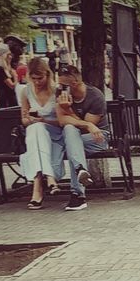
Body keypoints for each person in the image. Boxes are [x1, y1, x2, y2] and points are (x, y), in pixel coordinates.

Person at [55, 64, 109, 212]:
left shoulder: (95, 96)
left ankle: (77, 194)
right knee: (69, 130)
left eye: (63, 85)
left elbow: (89, 127)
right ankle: (80, 171)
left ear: (74, 84)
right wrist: (82, 122)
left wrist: (68, 110)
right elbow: (62, 121)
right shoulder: (60, 94)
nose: (59, 88)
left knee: (73, 140)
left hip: (98, 137)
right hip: (76, 139)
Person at [17, 56, 65, 208]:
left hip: (54, 134)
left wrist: (44, 121)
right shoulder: (26, 92)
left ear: (47, 74)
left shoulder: (57, 91)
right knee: (35, 129)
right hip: (35, 134)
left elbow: (62, 121)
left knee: (37, 130)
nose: (37, 82)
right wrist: (31, 119)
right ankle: (49, 178)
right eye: (33, 78)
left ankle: (37, 191)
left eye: (40, 78)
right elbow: (24, 120)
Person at [0, 44, 17, 108]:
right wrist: (15, 76)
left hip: (7, 98)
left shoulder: (5, 68)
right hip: (5, 99)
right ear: (4, 56)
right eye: (8, 55)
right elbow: (12, 85)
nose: (10, 57)